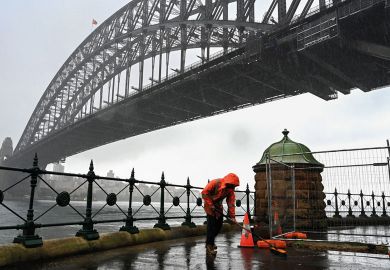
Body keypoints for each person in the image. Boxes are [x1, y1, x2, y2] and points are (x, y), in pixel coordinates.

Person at [201, 173, 240, 256]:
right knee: (211, 226)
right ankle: (209, 245)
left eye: (234, 186)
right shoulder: (215, 183)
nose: (233, 188)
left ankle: (209, 241)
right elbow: (204, 193)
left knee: (219, 225)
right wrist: (211, 205)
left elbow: (231, 203)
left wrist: (232, 216)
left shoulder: (230, 190)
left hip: (218, 206)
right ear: (228, 183)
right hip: (209, 205)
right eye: (232, 186)